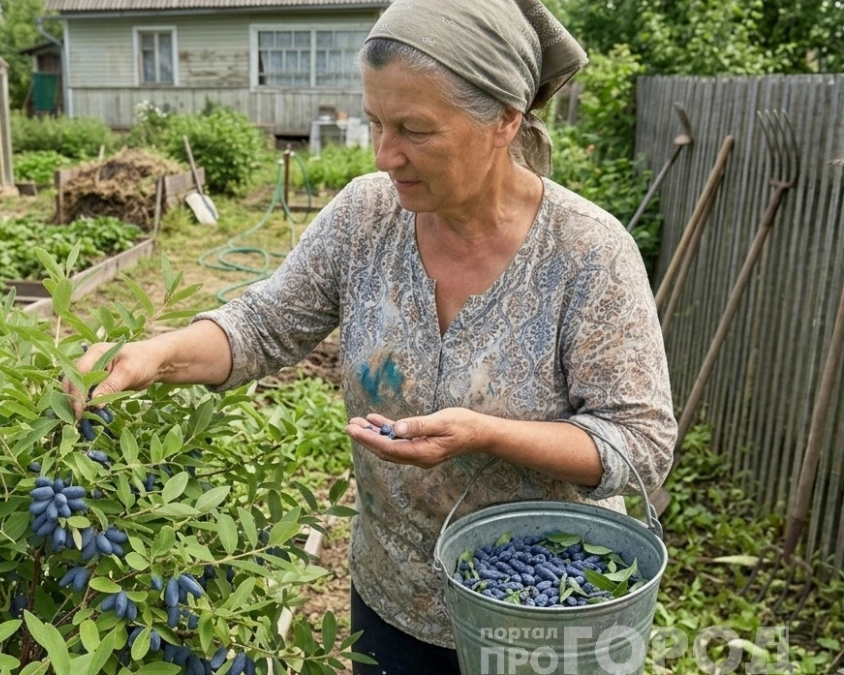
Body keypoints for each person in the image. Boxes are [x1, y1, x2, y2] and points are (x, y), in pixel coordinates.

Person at [69, 1, 677, 672]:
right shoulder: (365, 217)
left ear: (505, 120)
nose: (386, 154)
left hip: (541, 621)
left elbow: (641, 444)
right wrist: (154, 354)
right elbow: (263, 324)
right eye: (376, 123)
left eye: (415, 129)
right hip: (393, 600)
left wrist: (485, 433)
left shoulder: (585, 251)